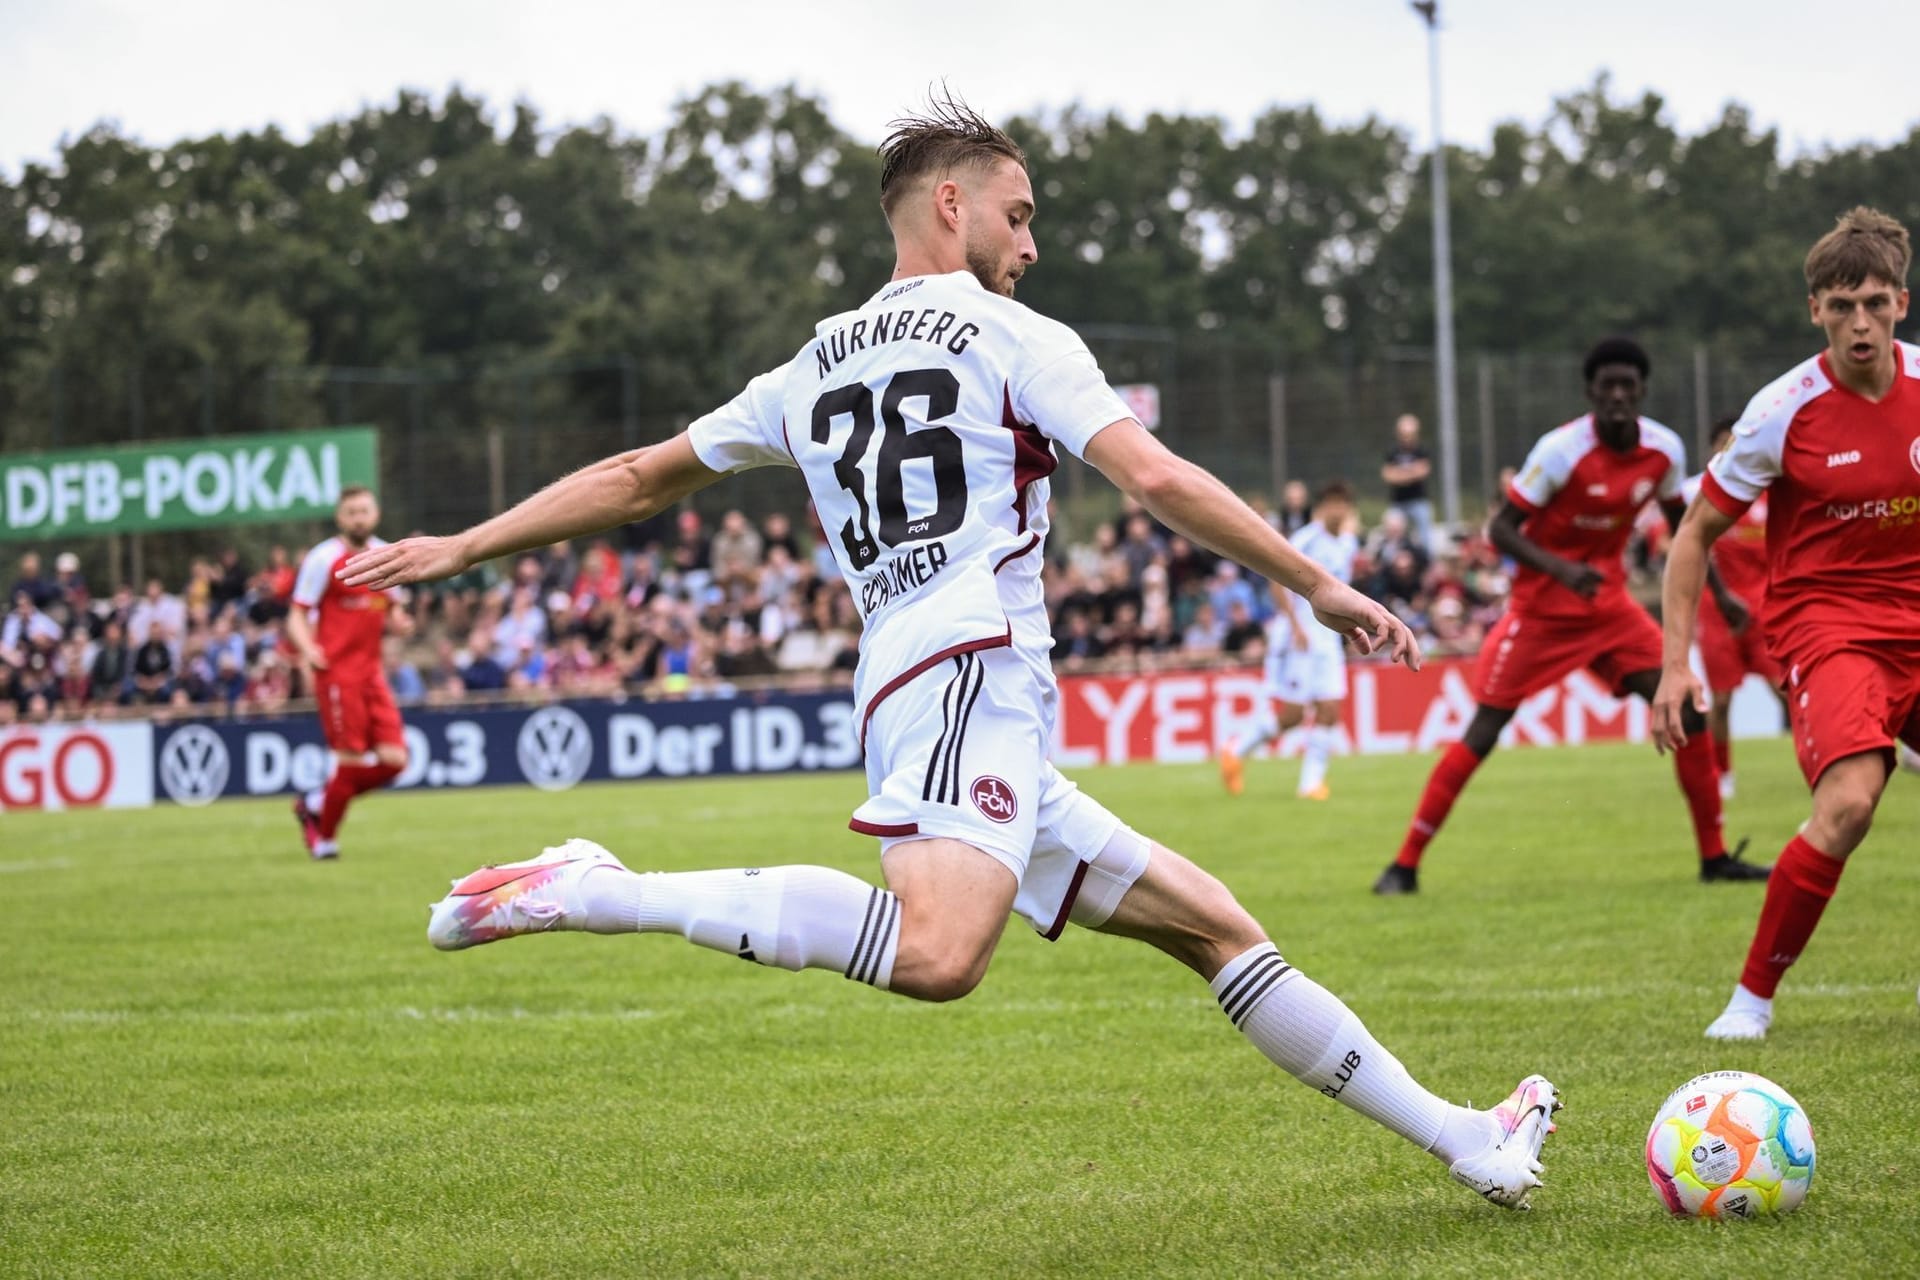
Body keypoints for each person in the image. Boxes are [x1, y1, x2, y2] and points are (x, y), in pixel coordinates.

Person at [344, 96, 1560, 1209]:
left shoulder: (808, 363)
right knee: (937, 954)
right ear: (949, 204)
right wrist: (1317, 582)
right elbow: (1153, 477)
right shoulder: (1011, 335)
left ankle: (1465, 1134)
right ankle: (602, 886)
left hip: (938, 683)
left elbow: (631, 480)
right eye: (1018, 215)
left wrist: (466, 545)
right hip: (967, 663)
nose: (1030, 246)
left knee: (1218, 927)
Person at [1653, 206, 1920, 1041]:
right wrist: (1675, 666)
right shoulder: (1782, 409)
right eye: (1841, 306)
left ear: (1901, 303)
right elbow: (1693, 533)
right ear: (1815, 311)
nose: (1860, 322)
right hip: (1830, 627)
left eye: (1875, 302)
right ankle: (1752, 1001)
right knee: (1848, 806)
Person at [1374, 337, 1767, 895]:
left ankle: (1714, 857)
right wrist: (1560, 569)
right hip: (1540, 612)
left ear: (1641, 392)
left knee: (1686, 705)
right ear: (1590, 393)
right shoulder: (1559, 451)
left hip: (1608, 609)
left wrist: (1722, 594)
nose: (1617, 396)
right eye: (1606, 386)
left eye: (1627, 386)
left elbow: (1689, 530)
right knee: (1484, 731)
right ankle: (1404, 865)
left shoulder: (1664, 450)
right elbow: (1501, 529)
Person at [286, 487, 412, 860]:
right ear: (340, 518)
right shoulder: (323, 558)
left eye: (364, 510)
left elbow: (392, 609)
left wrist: (400, 621)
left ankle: (315, 801)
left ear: (376, 513)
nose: (358, 517)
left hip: (372, 673)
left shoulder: (386, 554)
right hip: (337, 673)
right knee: (350, 761)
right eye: (351, 512)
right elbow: (296, 614)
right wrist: (309, 650)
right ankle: (325, 840)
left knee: (395, 761)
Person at [1220, 483, 1359, 800]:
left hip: (1329, 638)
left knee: (1330, 708)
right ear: (1322, 507)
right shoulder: (1306, 539)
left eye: (1343, 505)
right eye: (1332, 504)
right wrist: (1295, 625)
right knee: (1293, 715)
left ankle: (1310, 785)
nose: (1337, 511)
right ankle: (1236, 749)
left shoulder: (1348, 544)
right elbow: (1276, 580)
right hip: (1303, 637)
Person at [1679, 418, 1785, 799]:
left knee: (1785, 690)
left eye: (1734, 443)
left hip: (1764, 608)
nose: (1728, 450)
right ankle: (1723, 773)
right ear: (1711, 450)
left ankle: (1819, 762)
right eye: (1721, 443)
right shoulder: (1696, 493)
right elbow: (1671, 545)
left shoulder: (1772, 492)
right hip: (1717, 612)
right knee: (1720, 701)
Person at [1381, 414, 1434, 552]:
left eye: (1410, 434)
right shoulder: (1392, 451)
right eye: (1404, 434)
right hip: (1398, 502)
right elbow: (1388, 475)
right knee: (1391, 533)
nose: (1407, 437)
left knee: (1425, 536)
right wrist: (1412, 472)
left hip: (1418, 500)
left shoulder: (1421, 450)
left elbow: (1423, 471)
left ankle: (1427, 563)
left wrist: (1400, 474)